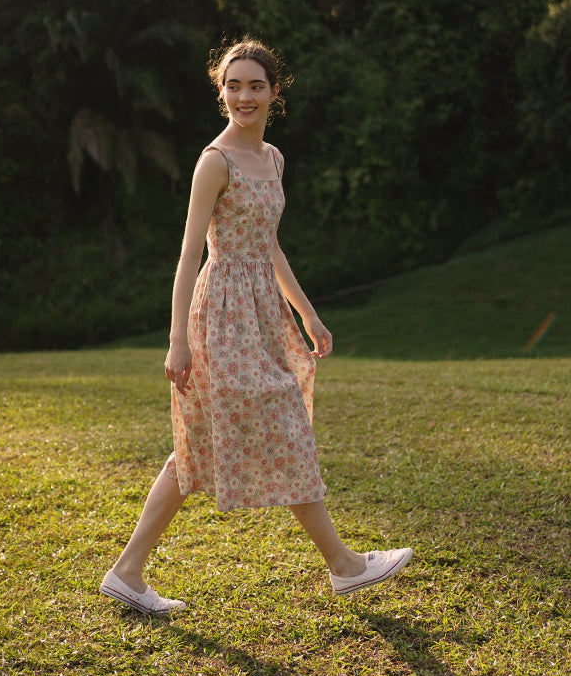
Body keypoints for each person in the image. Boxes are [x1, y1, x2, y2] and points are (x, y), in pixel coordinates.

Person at [100, 38, 412, 616]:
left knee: (192, 448)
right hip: (218, 314)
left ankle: (126, 571)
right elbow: (190, 253)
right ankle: (343, 565)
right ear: (221, 92)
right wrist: (177, 341)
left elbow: (268, 245)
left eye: (256, 85)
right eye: (234, 85)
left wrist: (306, 311)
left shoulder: (272, 159)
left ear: (274, 92)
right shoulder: (213, 162)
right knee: (283, 414)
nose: (245, 96)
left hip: (260, 309)